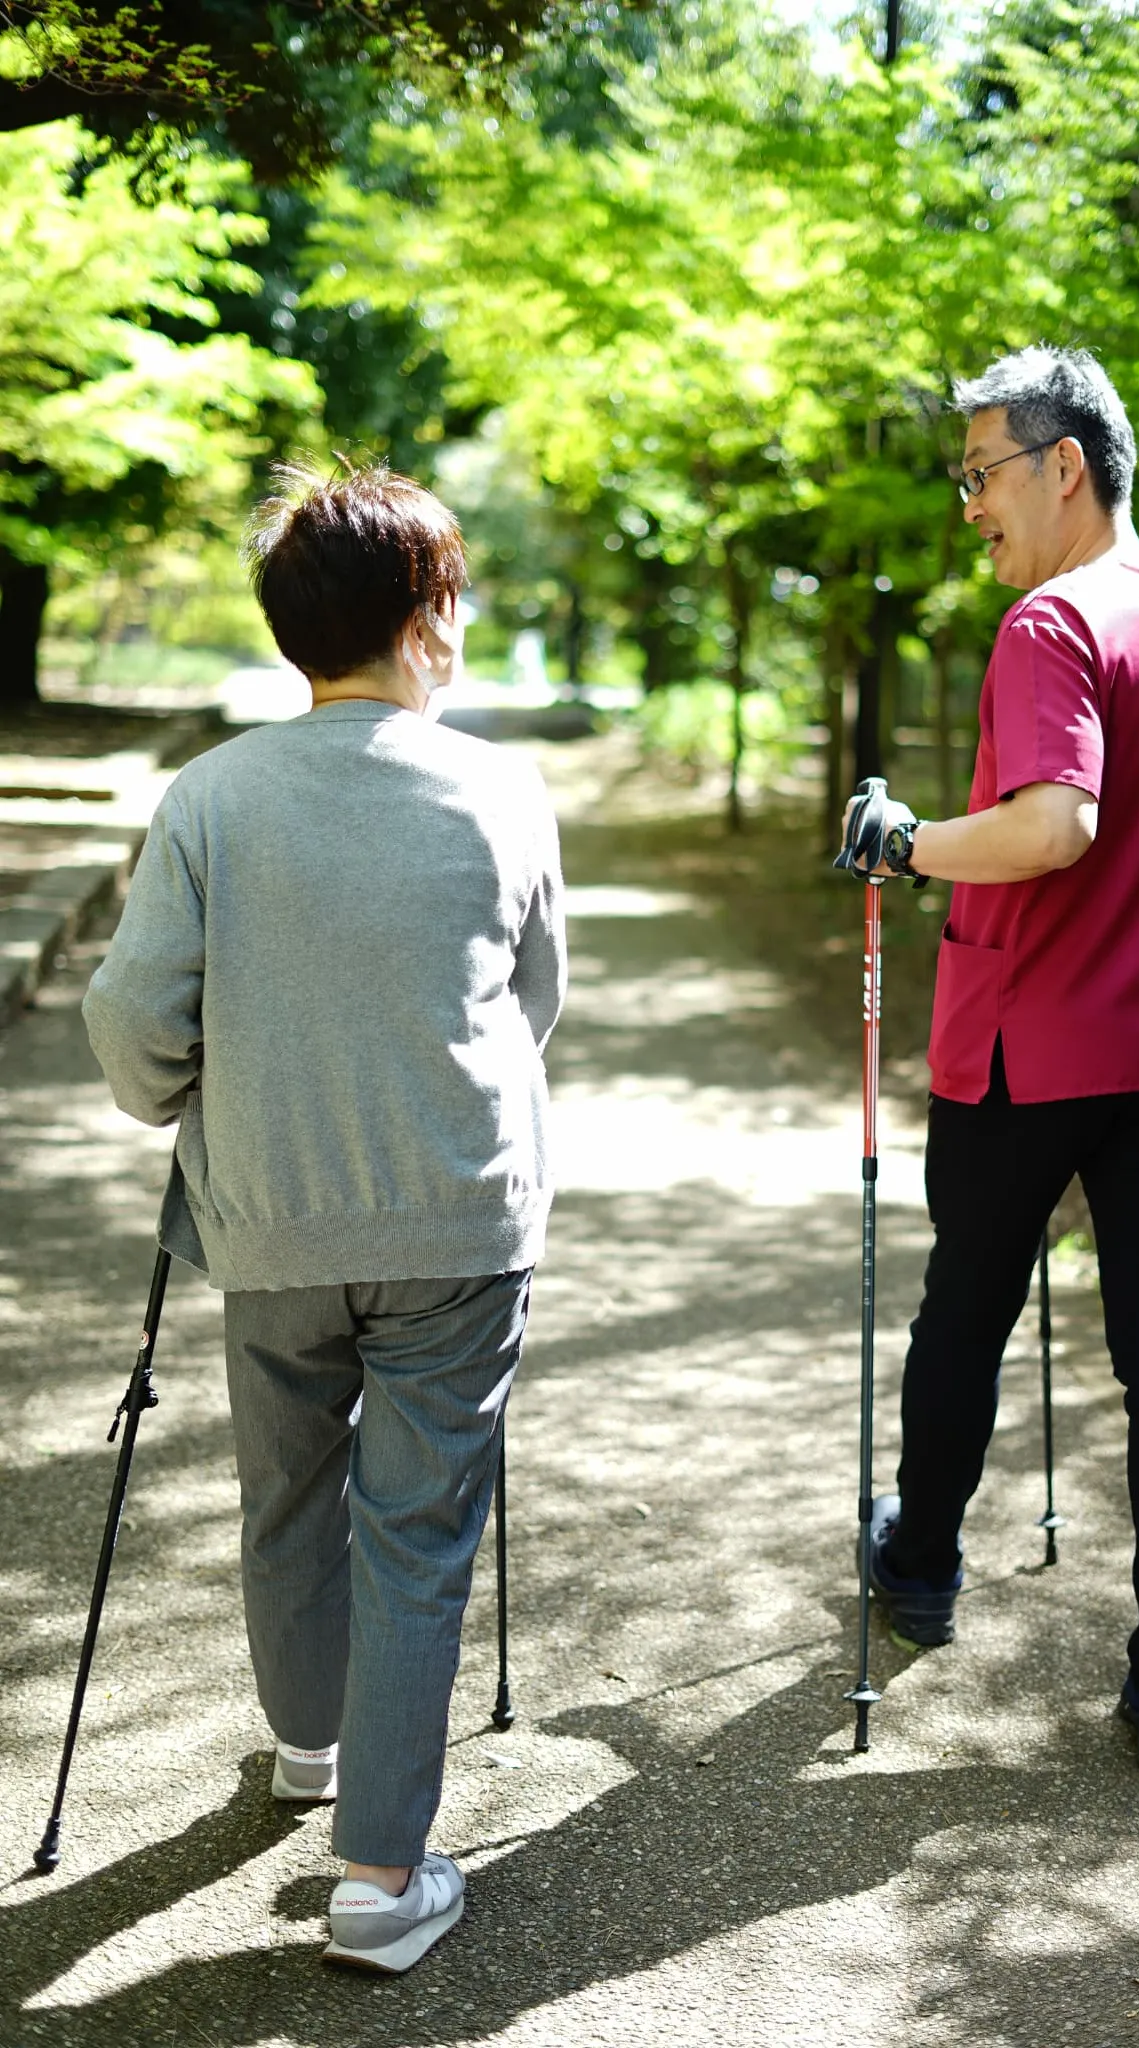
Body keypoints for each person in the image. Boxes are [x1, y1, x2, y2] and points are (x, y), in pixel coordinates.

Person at [83, 461, 567, 1969]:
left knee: (287, 1486)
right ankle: (379, 1876)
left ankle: (311, 1742)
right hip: (454, 1218)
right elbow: (533, 1004)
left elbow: (132, 1018)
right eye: (456, 596)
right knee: (415, 1532)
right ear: (423, 620)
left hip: (268, 1212)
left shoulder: (215, 796)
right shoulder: (500, 788)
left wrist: (187, 1092)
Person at [840, 347, 1139, 1776]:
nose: (970, 505)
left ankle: (923, 1565)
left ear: (1063, 464)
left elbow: (1052, 828)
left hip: (1033, 1050)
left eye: (981, 473)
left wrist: (906, 841)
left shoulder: (1050, 626)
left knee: (967, 1313)